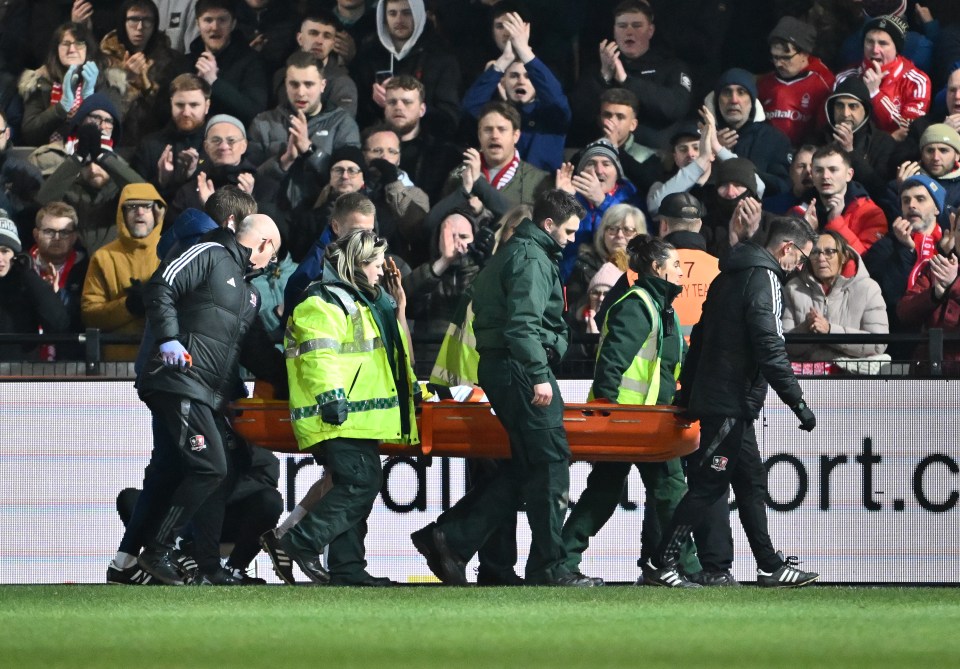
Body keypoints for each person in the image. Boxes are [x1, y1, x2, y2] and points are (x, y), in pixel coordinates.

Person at [411, 189, 598, 587]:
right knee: (550, 463)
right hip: (520, 368)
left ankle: (451, 538)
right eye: (567, 231)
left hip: (507, 366)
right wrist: (539, 373)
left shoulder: (520, 252)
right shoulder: (532, 257)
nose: (571, 239)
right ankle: (548, 568)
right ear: (548, 225)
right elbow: (523, 325)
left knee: (529, 465)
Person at [644, 216, 821, 589]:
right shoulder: (766, 280)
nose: (800, 267)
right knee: (709, 485)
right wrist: (798, 402)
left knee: (750, 483)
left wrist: (687, 392)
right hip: (729, 401)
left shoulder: (728, 276)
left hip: (724, 400)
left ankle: (769, 565)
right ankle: (661, 562)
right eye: (801, 258)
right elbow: (770, 346)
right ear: (787, 248)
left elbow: (702, 339)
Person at [135, 213, 285, 585]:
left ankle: (205, 567)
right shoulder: (209, 252)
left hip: (204, 393)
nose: (271, 265)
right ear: (264, 244)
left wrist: (291, 380)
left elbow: (257, 352)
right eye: (273, 255)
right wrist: (168, 337)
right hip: (179, 381)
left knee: (215, 472)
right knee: (210, 468)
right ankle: (156, 552)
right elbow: (161, 284)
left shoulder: (247, 295)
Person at [274, 229, 418, 586]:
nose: (382, 270)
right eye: (374, 263)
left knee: (355, 484)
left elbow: (391, 358)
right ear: (355, 265)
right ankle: (299, 542)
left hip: (361, 416)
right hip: (340, 415)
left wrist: (413, 389)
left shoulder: (370, 302)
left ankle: (347, 568)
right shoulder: (321, 302)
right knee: (360, 483)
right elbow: (317, 356)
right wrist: (331, 398)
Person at [562, 234, 700, 585]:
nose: (682, 272)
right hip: (634, 422)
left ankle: (562, 561)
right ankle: (686, 567)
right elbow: (611, 363)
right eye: (676, 265)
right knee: (670, 491)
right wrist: (608, 411)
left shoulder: (657, 307)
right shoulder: (640, 305)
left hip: (644, 419)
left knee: (607, 491)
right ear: (657, 268)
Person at [571, 0, 693, 149]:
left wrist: (626, 80)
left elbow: (674, 108)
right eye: (622, 26)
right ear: (614, 31)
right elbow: (579, 113)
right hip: (603, 158)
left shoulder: (672, 66)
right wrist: (604, 77)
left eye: (637, 26)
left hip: (654, 157)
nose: (629, 31)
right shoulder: (599, 68)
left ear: (650, 31)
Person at [35, 94, 146, 255]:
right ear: (81, 121)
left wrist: (104, 158)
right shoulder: (66, 173)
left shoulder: (121, 175)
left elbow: (145, 193)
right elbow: (43, 200)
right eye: (95, 118)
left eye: (108, 121)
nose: (101, 125)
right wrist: (78, 158)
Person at [460, 10, 570, 172]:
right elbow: (470, 107)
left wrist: (525, 52)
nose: (521, 81)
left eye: (528, 76)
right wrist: (503, 61)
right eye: (513, 76)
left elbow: (555, 99)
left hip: (542, 192)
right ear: (503, 82)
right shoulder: (496, 117)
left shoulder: (551, 116)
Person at [247, 51, 360, 205]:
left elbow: (349, 179)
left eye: (308, 84)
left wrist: (309, 150)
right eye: (294, 84)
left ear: (322, 85)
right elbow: (250, 180)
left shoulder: (342, 123)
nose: (301, 92)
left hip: (325, 215)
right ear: (285, 84)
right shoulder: (263, 123)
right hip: (272, 215)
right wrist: (283, 161)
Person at [80, 183, 165, 361]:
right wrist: (128, 306)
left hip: (165, 362)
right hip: (117, 365)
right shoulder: (103, 257)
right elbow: (90, 315)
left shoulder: (174, 252)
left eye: (146, 206)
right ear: (122, 213)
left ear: (157, 213)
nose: (140, 212)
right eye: (132, 207)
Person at [355, 0, 461, 136]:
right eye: (392, 13)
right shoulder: (369, 56)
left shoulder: (442, 58)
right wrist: (375, 103)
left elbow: (450, 117)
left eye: (406, 13)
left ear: (418, 15)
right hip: (378, 143)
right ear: (384, 18)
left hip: (427, 145)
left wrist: (411, 108)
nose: (399, 19)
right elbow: (358, 114)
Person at [782, 230, 889, 363]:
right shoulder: (793, 289)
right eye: (815, 252)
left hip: (851, 378)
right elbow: (782, 345)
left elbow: (879, 344)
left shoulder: (868, 288)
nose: (821, 258)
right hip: (807, 378)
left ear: (844, 256)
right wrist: (806, 329)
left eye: (829, 252)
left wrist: (830, 331)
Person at [18, 21, 122, 146]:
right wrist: (61, 108)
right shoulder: (41, 81)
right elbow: (30, 134)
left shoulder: (107, 82)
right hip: (49, 156)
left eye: (79, 43)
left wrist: (89, 100)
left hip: (91, 154)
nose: (71, 50)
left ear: (88, 49)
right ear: (56, 50)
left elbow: (112, 130)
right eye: (65, 44)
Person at [98, 0, 188, 146]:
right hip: (114, 142)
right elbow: (102, 112)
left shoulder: (170, 61)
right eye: (134, 19)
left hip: (155, 143)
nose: (140, 27)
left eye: (147, 20)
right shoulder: (103, 59)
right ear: (123, 22)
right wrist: (125, 78)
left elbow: (168, 113)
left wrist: (146, 86)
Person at [555, 138, 642, 281]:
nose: (599, 170)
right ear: (582, 171)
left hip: (618, 282)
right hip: (572, 281)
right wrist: (561, 203)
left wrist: (602, 202)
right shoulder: (572, 197)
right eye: (591, 163)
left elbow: (642, 239)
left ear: (617, 172)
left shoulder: (631, 198)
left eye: (606, 164)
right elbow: (555, 244)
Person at [834, 14, 931, 137]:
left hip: (897, 152)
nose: (875, 49)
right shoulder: (844, 78)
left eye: (883, 43)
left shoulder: (917, 81)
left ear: (896, 48)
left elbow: (908, 131)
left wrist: (876, 94)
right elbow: (833, 124)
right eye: (870, 41)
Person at [708, 67, 792, 197]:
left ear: (752, 101)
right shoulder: (703, 137)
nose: (734, 100)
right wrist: (712, 154)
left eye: (741, 92)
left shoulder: (775, 139)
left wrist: (746, 172)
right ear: (717, 100)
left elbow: (783, 187)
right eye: (727, 92)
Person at [0, 215, 71, 361]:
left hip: (21, 376)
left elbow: (58, 325)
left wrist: (29, 274)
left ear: (15, 255)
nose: (0, 258)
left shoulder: (27, 283)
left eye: (5, 251)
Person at [187, 0, 268, 126]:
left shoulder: (251, 61)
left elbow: (255, 112)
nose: (215, 27)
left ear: (233, 23)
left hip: (232, 140)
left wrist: (214, 82)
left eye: (222, 20)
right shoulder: (185, 62)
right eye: (208, 20)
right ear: (198, 23)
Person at [757, 16, 835, 148]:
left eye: (786, 58)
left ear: (805, 53)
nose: (778, 64)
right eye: (775, 57)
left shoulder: (824, 82)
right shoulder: (765, 83)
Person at [814, 78, 895, 201]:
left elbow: (880, 189)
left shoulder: (883, 142)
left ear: (866, 110)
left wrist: (850, 151)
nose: (845, 113)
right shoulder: (817, 137)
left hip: (866, 208)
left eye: (853, 106)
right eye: (840, 106)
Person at [134, 73, 210, 201]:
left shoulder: (218, 146)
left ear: (207, 106)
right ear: (171, 104)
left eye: (194, 105)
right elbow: (134, 198)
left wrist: (190, 176)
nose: (186, 113)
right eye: (180, 105)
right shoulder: (149, 145)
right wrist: (161, 181)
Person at [800, 144, 887, 255]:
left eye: (833, 170)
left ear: (849, 175)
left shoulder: (871, 214)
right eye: (819, 170)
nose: (825, 176)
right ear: (812, 174)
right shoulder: (799, 208)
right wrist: (811, 232)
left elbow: (867, 262)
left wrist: (836, 221)